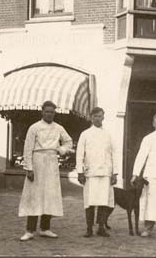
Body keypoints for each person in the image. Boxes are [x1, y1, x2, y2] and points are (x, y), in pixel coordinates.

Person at [18, 101, 73, 241]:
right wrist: (29, 168)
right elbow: (28, 149)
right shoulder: (34, 128)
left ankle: (45, 228)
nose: (49, 114)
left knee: (49, 195)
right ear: (42, 112)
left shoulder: (59, 128)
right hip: (37, 162)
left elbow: (68, 142)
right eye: (47, 111)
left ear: (55, 113)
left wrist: (61, 150)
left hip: (52, 162)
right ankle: (30, 230)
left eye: (52, 112)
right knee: (34, 195)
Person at [76, 107, 119, 238]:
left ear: (103, 118)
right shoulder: (85, 134)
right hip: (90, 173)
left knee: (103, 201)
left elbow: (114, 154)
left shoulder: (108, 134)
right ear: (91, 117)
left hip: (105, 172)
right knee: (89, 202)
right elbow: (79, 154)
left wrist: (114, 173)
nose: (98, 118)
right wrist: (80, 172)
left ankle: (101, 227)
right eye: (96, 116)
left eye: (100, 116)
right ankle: (89, 228)